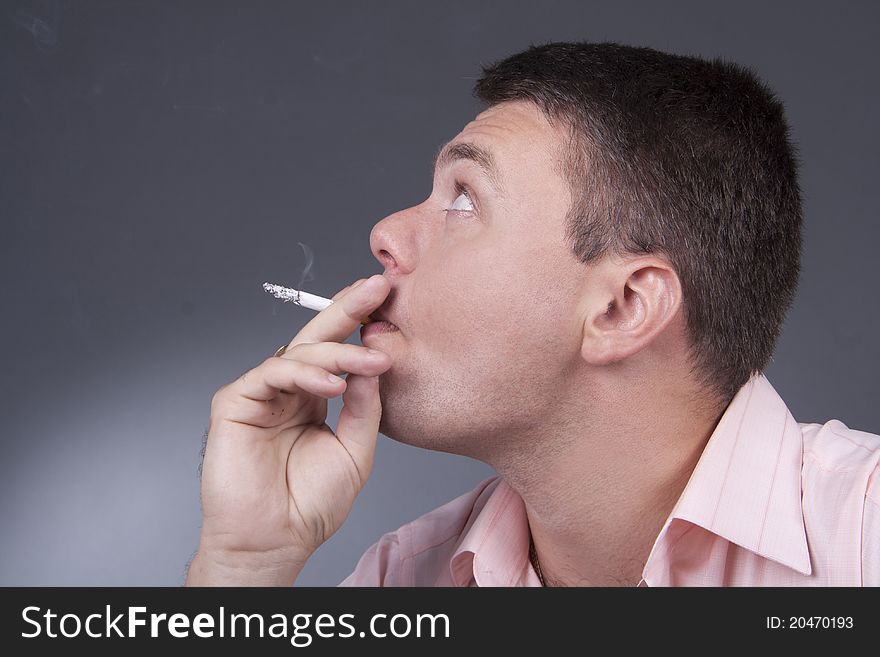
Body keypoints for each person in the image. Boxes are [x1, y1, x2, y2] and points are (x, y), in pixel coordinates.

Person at [185, 41, 879, 587]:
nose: (386, 233)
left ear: (623, 307)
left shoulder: (863, 536)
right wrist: (243, 564)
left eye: (463, 200)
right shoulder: (406, 581)